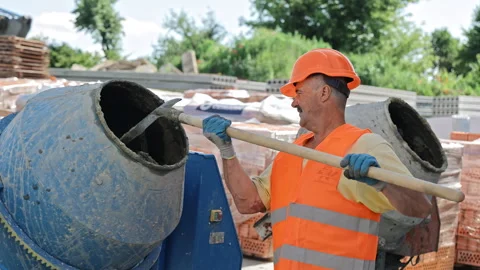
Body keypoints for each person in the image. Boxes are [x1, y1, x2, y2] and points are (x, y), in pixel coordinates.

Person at [202, 48, 432, 270]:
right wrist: (226, 151)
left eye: (298, 92)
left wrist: (383, 183)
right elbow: (247, 202)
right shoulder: (293, 153)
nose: (293, 102)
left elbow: (420, 207)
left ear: (323, 93)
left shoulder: (364, 145)